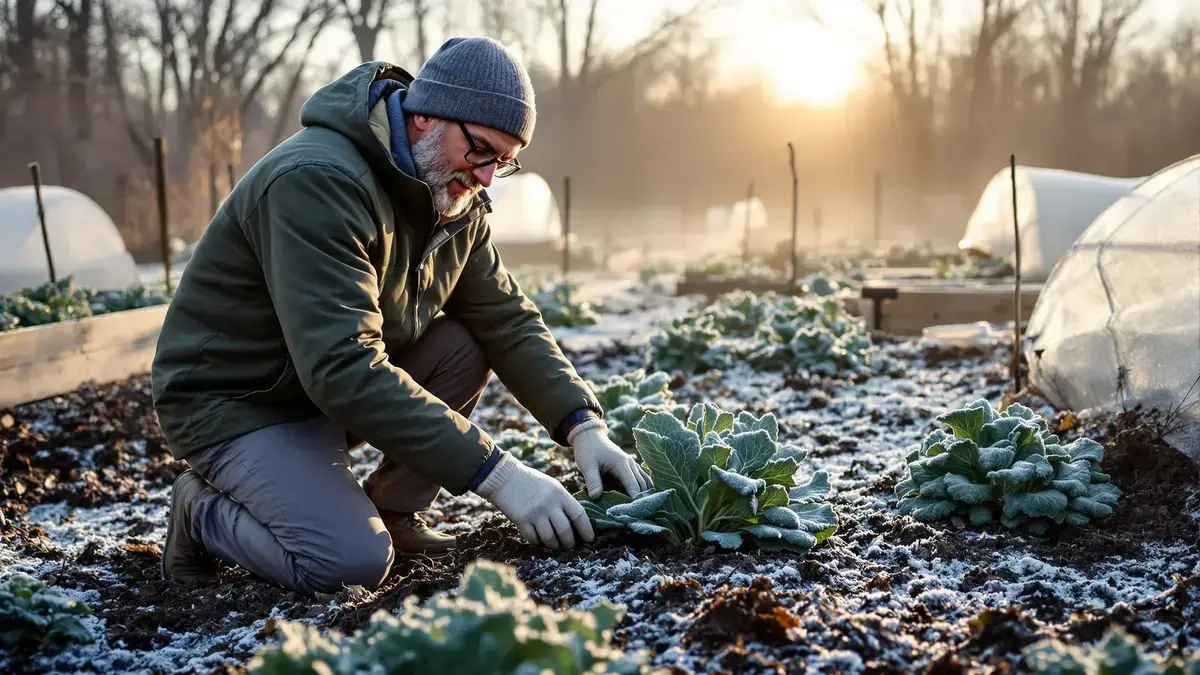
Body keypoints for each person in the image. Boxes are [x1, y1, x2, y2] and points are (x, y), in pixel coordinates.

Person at [150, 37, 650, 596]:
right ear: (425, 116)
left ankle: (393, 512)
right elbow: (342, 366)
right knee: (346, 564)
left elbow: (505, 318)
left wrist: (583, 426)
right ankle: (199, 510)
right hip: (241, 402)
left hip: (316, 389)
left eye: (504, 163)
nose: (487, 178)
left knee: (467, 341)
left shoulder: (452, 196)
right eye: (481, 150)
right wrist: (500, 477)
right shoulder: (317, 181)